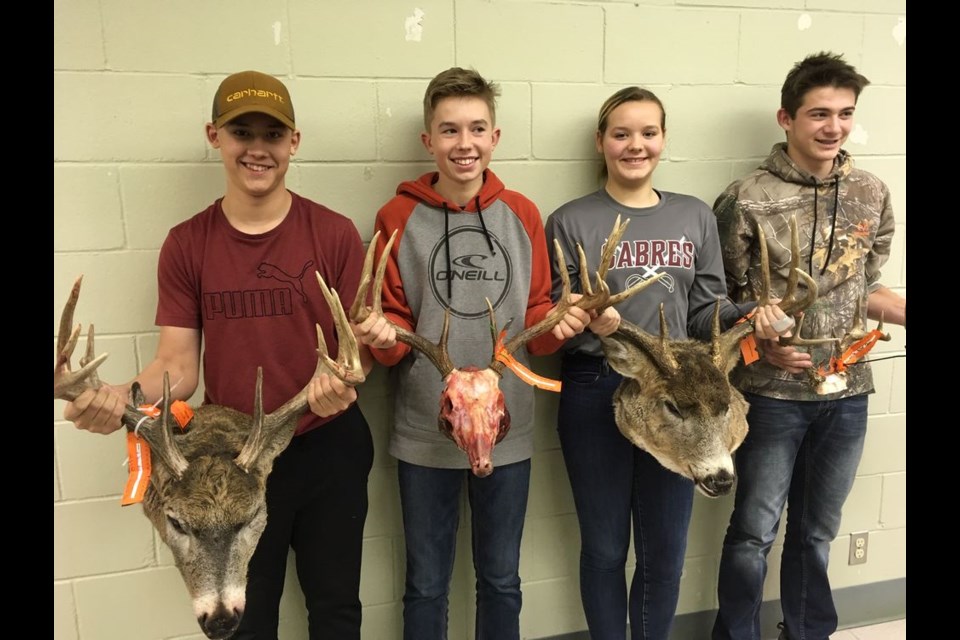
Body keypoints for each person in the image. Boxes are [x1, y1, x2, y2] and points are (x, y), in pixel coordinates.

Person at [62, 70, 394, 640]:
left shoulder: (333, 234)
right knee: (244, 621)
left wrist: (345, 378)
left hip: (325, 444)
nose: (257, 148)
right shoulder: (188, 243)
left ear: (295, 142)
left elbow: (354, 352)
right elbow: (178, 366)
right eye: (243, 132)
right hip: (231, 466)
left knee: (336, 607)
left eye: (273, 133)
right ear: (215, 136)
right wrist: (119, 399)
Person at [543, 86, 790, 640]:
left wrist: (754, 315)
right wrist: (586, 320)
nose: (636, 145)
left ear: (663, 139)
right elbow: (553, 313)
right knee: (605, 548)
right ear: (601, 142)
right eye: (622, 133)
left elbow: (708, 309)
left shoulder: (693, 216)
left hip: (685, 393)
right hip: (598, 383)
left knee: (664, 550)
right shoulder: (569, 220)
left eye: (648, 133)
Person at [356, 67, 591, 640]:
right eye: (450, 130)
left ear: (495, 137)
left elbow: (538, 319)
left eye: (477, 129)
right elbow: (393, 325)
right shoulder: (396, 218)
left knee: (502, 579)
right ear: (428, 141)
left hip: (507, 426)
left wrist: (565, 324)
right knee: (427, 583)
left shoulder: (523, 214)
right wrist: (383, 337)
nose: (465, 144)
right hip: (425, 430)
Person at [710, 52, 906, 640]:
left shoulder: (871, 192)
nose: (833, 127)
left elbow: (864, 289)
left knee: (818, 531)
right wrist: (759, 347)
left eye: (845, 114)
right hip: (771, 397)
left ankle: (807, 632)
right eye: (819, 113)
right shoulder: (745, 198)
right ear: (786, 118)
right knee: (753, 531)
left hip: (848, 392)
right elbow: (717, 306)